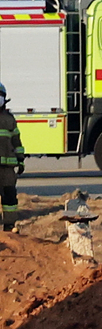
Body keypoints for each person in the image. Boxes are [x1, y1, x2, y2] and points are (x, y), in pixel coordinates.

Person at [0, 85, 26, 231]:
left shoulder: (9, 119)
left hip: (8, 169)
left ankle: (9, 227)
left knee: (10, 198)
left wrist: (20, 160)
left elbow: (17, 141)